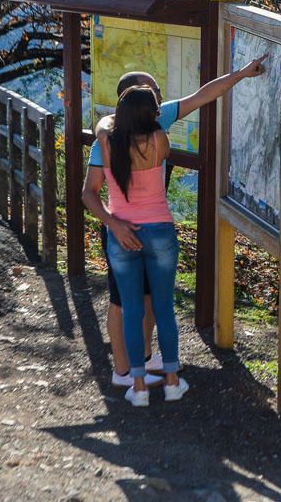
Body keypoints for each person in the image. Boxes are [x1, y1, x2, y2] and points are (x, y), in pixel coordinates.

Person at [83, 59, 266, 401]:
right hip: (152, 229)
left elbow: (202, 95)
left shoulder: (106, 137)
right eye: (154, 93)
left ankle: (137, 374)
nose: (161, 97)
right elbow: (88, 193)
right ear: (136, 101)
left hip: (122, 233)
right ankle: (126, 370)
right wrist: (112, 222)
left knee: (141, 303)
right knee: (125, 304)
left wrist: (239, 74)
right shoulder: (157, 134)